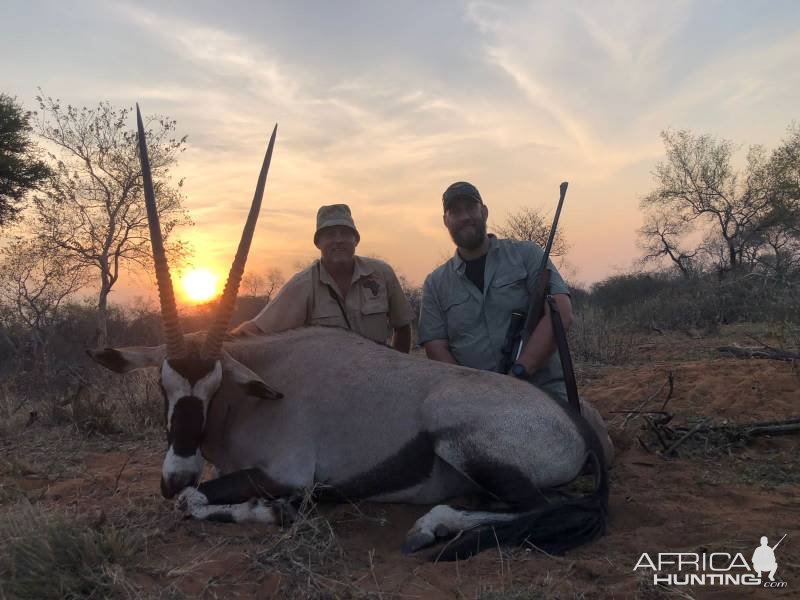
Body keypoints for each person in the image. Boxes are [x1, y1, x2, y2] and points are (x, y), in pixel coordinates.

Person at [418, 181, 573, 403]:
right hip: (475, 402)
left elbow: (562, 314)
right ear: (446, 221)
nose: (464, 217)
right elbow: (435, 347)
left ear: (484, 211)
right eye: (455, 212)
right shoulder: (435, 284)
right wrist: (472, 395)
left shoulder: (527, 254)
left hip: (542, 390)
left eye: (471, 208)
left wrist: (519, 373)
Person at [235, 204, 412, 352]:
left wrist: (397, 367)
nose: (338, 240)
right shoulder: (302, 284)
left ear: (356, 240)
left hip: (380, 374)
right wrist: (222, 343)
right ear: (318, 243)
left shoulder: (382, 273)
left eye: (344, 233)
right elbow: (258, 329)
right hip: (327, 383)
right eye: (329, 234)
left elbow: (403, 326)